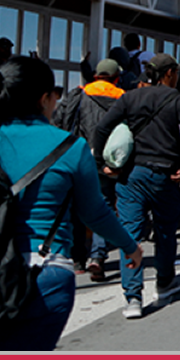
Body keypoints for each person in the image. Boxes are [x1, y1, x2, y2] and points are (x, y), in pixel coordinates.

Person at [0, 57, 143, 350]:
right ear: (43, 98)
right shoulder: (70, 146)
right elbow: (94, 212)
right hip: (44, 275)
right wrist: (130, 246)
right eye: (55, 95)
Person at [90, 53, 180, 320]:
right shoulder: (178, 100)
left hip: (131, 176)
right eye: (176, 72)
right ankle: (164, 283)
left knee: (130, 235)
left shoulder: (128, 98)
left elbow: (102, 128)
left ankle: (133, 298)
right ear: (169, 74)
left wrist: (99, 163)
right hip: (164, 175)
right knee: (164, 232)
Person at [51, 58, 126, 281]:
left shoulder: (79, 94)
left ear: (96, 76)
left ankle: (78, 259)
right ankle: (98, 256)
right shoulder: (122, 97)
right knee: (104, 206)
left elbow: (58, 122)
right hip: (109, 161)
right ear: (116, 78)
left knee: (75, 206)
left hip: (79, 157)